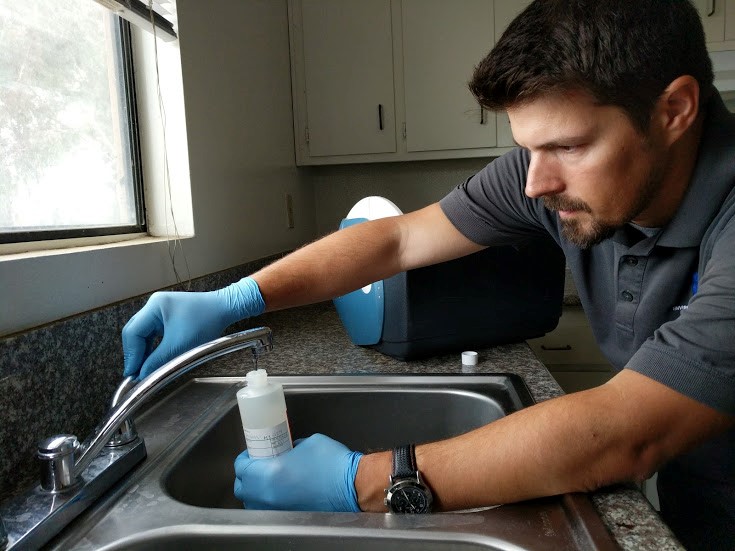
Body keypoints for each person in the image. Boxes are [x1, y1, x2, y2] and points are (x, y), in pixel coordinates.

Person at [121, 1, 735, 549]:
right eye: (528, 149)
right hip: (697, 496)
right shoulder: (556, 178)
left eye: (569, 147)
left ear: (674, 110)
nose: (534, 184)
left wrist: (366, 483)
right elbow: (396, 239)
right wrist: (237, 297)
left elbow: (628, 433)